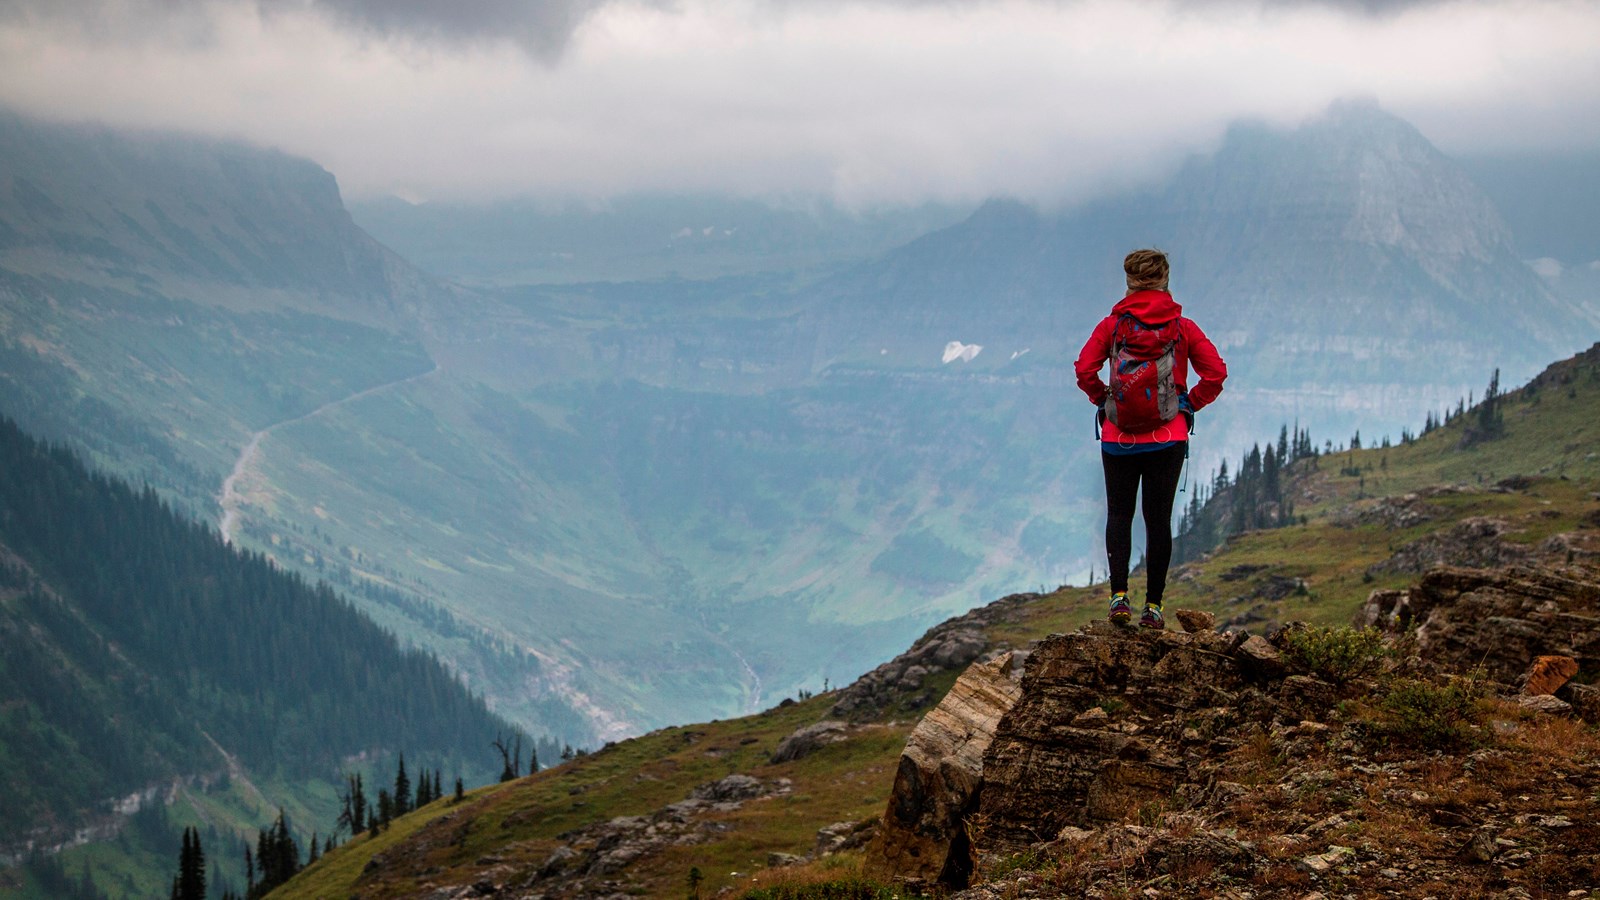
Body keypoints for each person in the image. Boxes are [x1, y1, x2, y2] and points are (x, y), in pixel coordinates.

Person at [1074, 249, 1227, 629]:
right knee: (1157, 521)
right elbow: (1216, 374)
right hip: (1167, 437)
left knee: (1119, 515)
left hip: (1118, 438)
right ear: (1165, 281)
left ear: (1129, 282)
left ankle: (1119, 599)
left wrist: (1103, 399)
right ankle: (1154, 608)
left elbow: (1083, 369)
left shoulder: (1111, 327)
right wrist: (1189, 404)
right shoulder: (1183, 328)